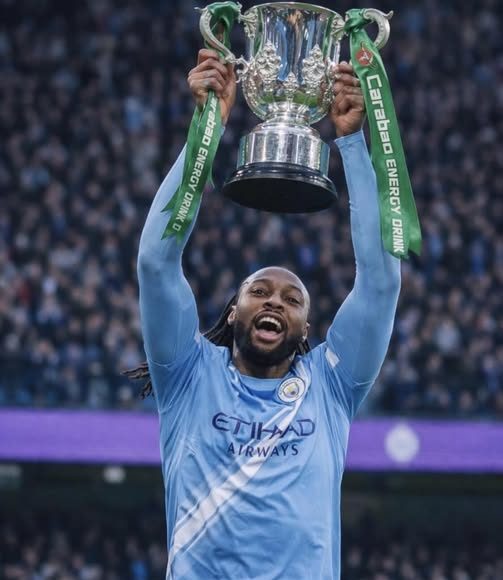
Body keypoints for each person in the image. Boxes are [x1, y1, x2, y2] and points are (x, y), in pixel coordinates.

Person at [133, 49, 401, 579]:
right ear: (234, 312)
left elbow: (381, 283)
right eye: (259, 291)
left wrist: (351, 142)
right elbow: (155, 263)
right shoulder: (187, 375)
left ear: (306, 331)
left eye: (292, 299)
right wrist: (207, 128)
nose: (275, 300)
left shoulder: (330, 385)